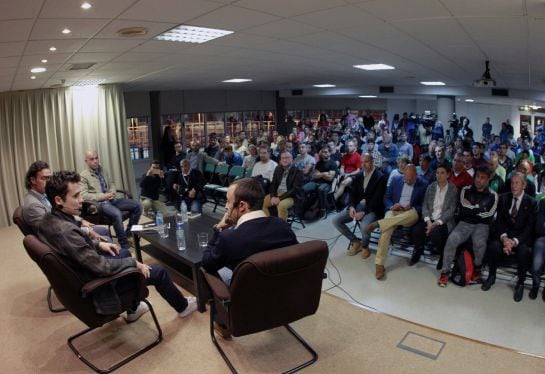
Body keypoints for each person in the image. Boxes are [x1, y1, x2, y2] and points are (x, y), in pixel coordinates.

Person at [37, 171, 196, 319]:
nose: (81, 200)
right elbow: (101, 267)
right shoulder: (66, 231)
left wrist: (99, 245)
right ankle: (183, 307)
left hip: (84, 273)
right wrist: (135, 264)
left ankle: (133, 309)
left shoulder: (48, 220)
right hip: (99, 287)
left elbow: (74, 247)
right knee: (158, 271)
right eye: (76, 196)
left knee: (123, 253)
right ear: (58, 200)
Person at [202, 177, 298, 286]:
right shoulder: (283, 225)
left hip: (249, 297)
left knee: (213, 270)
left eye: (228, 201)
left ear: (242, 206)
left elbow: (207, 263)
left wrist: (218, 228)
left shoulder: (229, 238)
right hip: (285, 291)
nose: (225, 206)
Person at [22, 161, 130, 256]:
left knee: (103, 232)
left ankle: (111, 252)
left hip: (67, 229)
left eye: (49, 177)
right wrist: (88, 232)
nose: (49, 181)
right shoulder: (33, 205)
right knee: (120, 249)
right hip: (64, 242)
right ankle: (109, 255)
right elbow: (54, 232)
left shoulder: (44, 195)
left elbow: (59, 214)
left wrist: (81, 220)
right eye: (44, 178)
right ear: (33, 180)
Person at [438, 166, 498, 287]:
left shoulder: (493, 195)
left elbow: (489, 215)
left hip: (482, 225)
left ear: (488, 180)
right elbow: (463, 210)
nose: (478, 180)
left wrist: (472, 207)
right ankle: (445, 272)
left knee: (479, 243)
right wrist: (480, 209)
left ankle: (477, 269)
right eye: (477, 177)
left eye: (482, 178)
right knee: (452, 240)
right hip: (465, 223)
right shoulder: (465, 190)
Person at [366, 165, 428, 279]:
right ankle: (379, 265)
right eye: (406, 178)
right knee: (386, 229)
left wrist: (412, 206)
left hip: (409, 214)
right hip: (395, 211)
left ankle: (379, 223)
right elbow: (386, 198)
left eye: (411, 179)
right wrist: (392, 205)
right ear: (403, 174)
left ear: (416, 176)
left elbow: (423, 206)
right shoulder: (396, 179)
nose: (408, 181)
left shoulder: (423, 184)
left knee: (412, 213)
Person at [482, 173, 536, 301]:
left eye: (517, 183)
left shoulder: (532, 202)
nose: (513, 186)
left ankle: (521, 283)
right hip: (506, 236)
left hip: (520, 239)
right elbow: (499, 222)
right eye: (512, 183)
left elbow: (529, 229)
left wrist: (514, 242)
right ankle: (492, 276)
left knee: (524, 252)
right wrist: (505, 239)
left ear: (524, 185)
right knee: (493, 246)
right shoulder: (504, 198)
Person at [79, 150, 142, 248]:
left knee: (137, 205)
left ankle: (129, 234)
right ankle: (124, 244)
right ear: (86, 161)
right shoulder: (83, 176)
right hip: (100, 204)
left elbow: (111, 183)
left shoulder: (103, 170)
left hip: (112, 200)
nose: (95, 161)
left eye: (96, 158)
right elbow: (83, 195)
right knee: (117, 214)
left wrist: (112, 192)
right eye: (92, 159)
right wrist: (103, 196)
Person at [333, 154, 386, 258]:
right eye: (362, 162)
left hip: (373, 208)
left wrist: (364, 212)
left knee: (364, 226)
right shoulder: (359, 175)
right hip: (358, 206)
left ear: (372, 162)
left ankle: (365, 246)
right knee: (336, 220)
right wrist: (352, 206)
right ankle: (355, 242)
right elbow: (353, 194)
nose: (363, 165)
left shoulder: (381, 177)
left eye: (366, 162)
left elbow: (377, 200)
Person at [408, 163, 458, 267]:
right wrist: (428, 221)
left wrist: (436, 223)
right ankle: (419, 249)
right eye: (437, 173)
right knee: (416, 231)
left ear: (448, 175)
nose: (439, 175)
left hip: (443, 221)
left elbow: (451, 210)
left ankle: (442, 253)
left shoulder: (453, 189)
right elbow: (425, 205)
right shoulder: (431, 187)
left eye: (442, 173)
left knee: (435, 234)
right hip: (429, 219)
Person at [262, 151, 302, 220]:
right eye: (283, 158)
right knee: (262, 202)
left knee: (281, 205)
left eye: (287, 157)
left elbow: (294, 189)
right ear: (280, 160)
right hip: (278, 193)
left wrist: (279, 199)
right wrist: (273, 196)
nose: (285, 160)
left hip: (292, 196)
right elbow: (273, 184)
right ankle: (268, 223)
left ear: (292, 159)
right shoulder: (278, 168)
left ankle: (282, 227)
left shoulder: (297, 171)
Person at [302, 145, 338, 217]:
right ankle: (303, 208)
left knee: (321, 189)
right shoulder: (319, 163)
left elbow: (330, 178)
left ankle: (323, 209)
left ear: (329, 153)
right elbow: (314, 175)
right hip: (316, 182)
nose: (323, 153)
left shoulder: (333, 163)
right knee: (303, 189)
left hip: (327, 184)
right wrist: (324, 173)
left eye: (326, 152)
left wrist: (320, 174)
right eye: (322, 152)